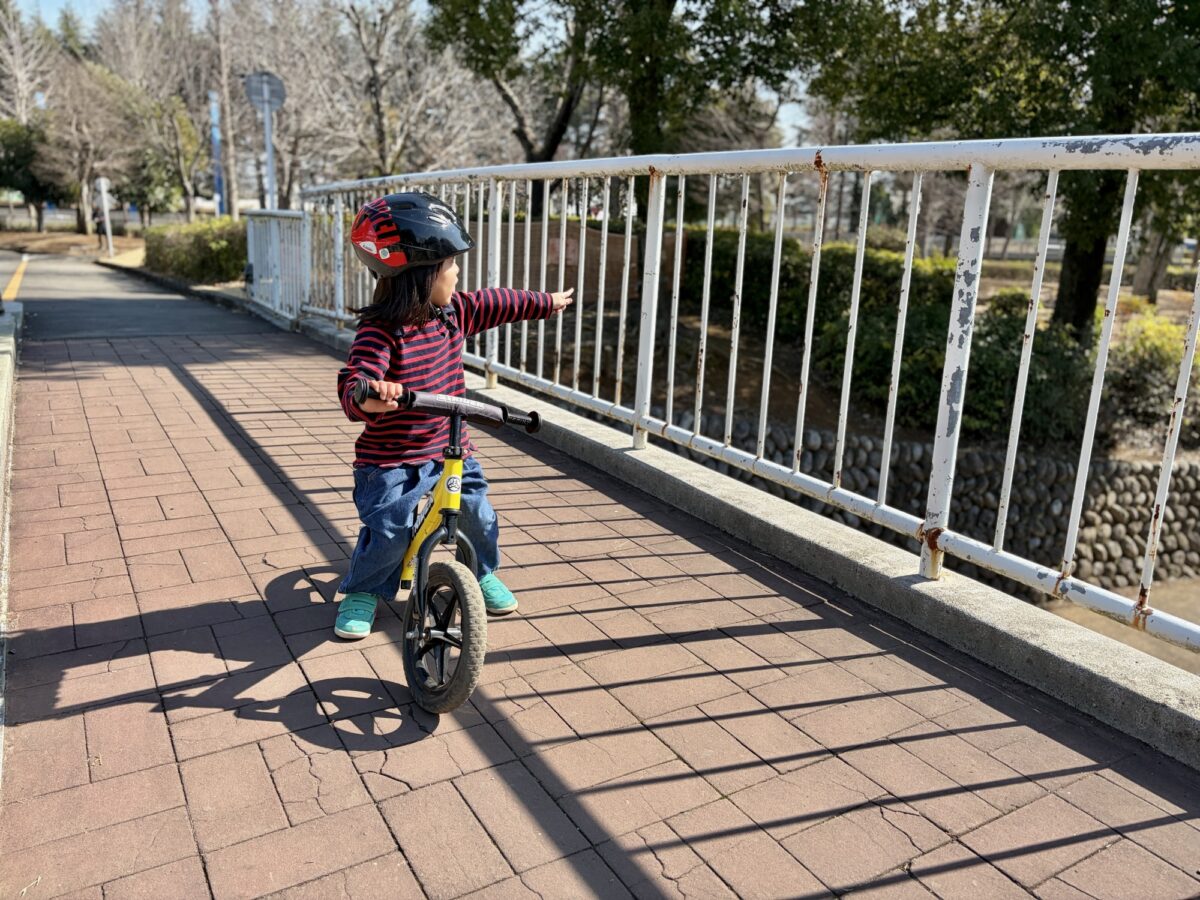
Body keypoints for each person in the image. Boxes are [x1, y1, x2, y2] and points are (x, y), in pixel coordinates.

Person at [334, 191, 573, 640]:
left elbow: (498, 301)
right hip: (391, 458)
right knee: (391, 531)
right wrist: (370, 396)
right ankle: (363, 588)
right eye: (450, 265)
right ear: (421, 275)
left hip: (449, 449)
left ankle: (479, 571)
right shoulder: (381, 331)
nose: (458, 272)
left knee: (478, 516)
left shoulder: (454, 314)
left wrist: (545, 302)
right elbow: (356, 379)